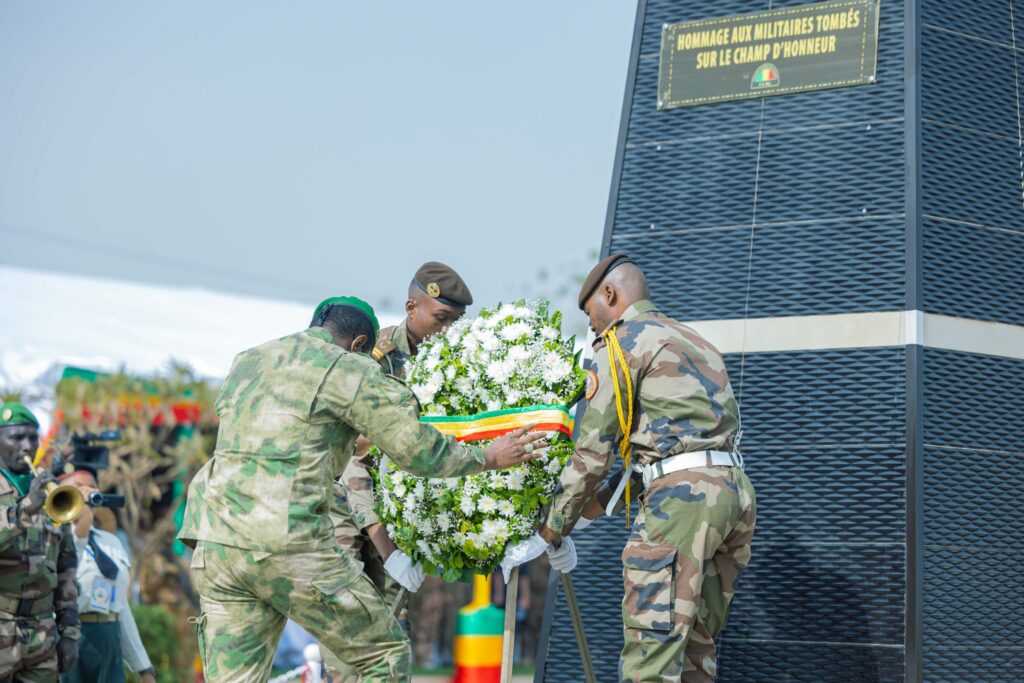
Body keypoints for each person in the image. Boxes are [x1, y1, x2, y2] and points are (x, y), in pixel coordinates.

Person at [178, 295, 546, 682]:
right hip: (287, 541)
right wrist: (487, 458)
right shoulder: (347, 368)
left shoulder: (250, 360)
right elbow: (415, 449)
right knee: (383, 654)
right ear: (358, 345)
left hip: (215, 542)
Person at [505, 254, 757, 682]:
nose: (591, 327)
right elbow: (651, 463)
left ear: (609, 294)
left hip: (681, 505)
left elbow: (593, 452)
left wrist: (550, 529)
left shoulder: (622, 342)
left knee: (650, 656)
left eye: (590, 314)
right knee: (695, 651)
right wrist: (586, 515)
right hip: (732, 496)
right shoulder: (694, 340)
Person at [331, 262, 471, 670]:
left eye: (456, 321)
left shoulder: (453, 366)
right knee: (346, 624)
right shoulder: (373, 358)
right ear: (412, 308)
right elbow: (352, 456)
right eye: (441, 318)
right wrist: (384, 546)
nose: (447, 330)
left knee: (393, 638)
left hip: (397, 511)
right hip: (346, 504)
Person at [0, 402, 80, 681]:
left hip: (42, 633)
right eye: (16, 438)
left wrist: (69, 632)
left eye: (33, 438)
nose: (27, 446)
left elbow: (66, 566)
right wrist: (27, 507)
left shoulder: (51, 490)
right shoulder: (37, 495)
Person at [57, 467, 156, 683]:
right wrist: (80, 528)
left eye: (92, 486)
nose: (87, 491)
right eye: (78, 486)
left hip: (108, 637)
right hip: (69, 638)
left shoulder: (110, 542)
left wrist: (144, 668)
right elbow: (66, 572)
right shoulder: (52, 538)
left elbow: (120, 607)